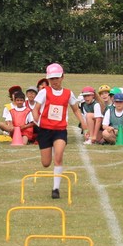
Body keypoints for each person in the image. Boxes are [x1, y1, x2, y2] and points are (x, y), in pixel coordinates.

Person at [31, 63, 85, 199]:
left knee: (59, 156)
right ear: (48, 79)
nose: (55, 81)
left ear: (62, 77)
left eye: (57, 78)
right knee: (46, 163)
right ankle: (50, 153)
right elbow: (36, 109)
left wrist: (85, 125)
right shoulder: (44, 92)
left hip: (60, 130)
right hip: (44, 130)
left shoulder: (68, 93)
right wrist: (37, 122)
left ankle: (56, 189)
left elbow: (76, 109)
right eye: (52, 79)